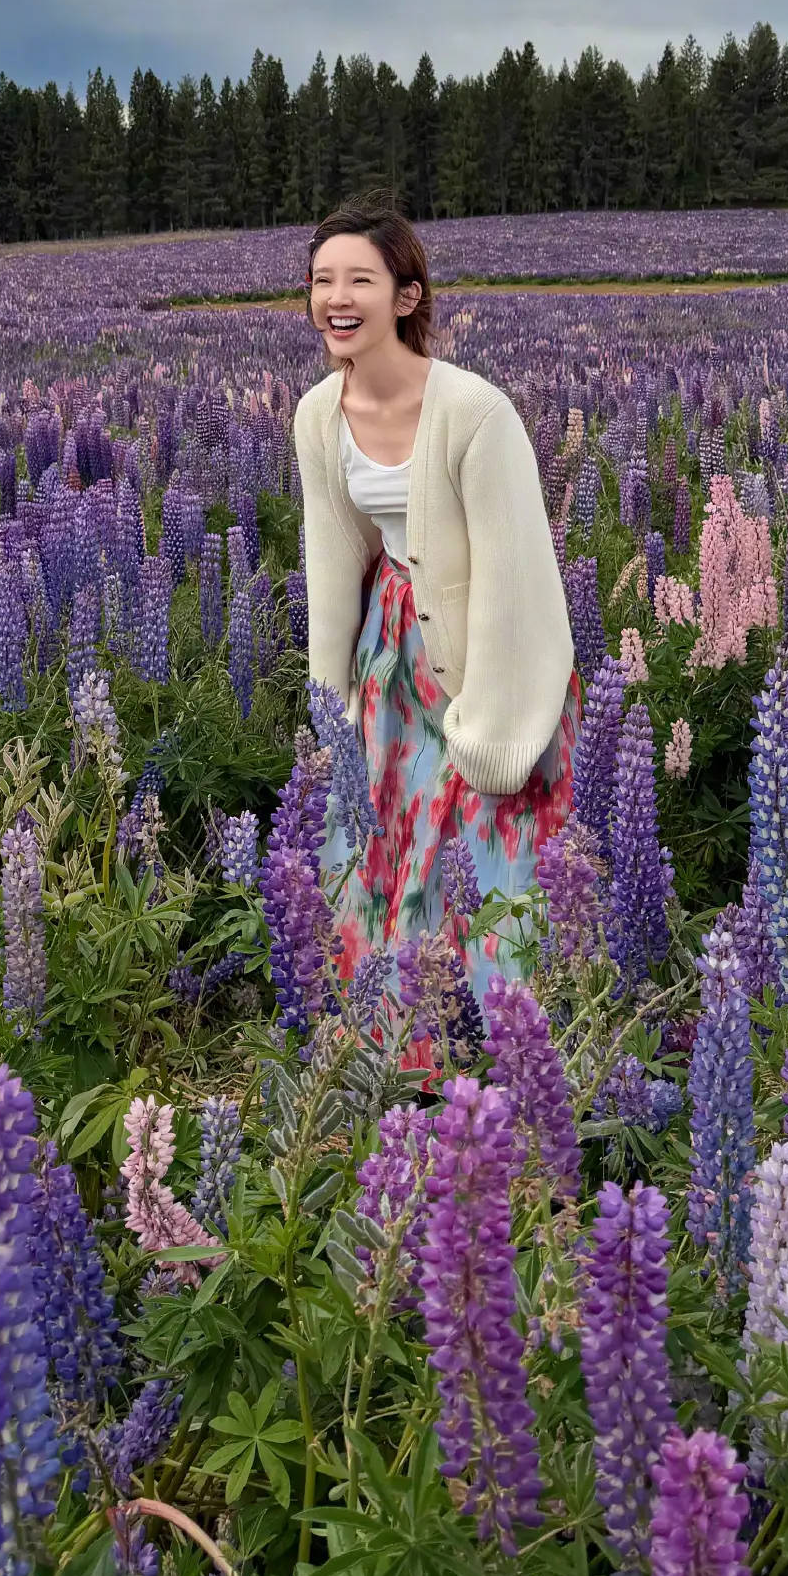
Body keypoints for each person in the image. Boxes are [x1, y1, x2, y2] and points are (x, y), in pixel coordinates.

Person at [294, 192, 580, 996]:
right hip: (390, 656)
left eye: (359, 280)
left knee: (480, 856)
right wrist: (329, 708)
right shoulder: (318, 416)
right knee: (388, 841)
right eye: (322, 280)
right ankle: (391, 1035)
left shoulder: (475, 413)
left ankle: (504, 1039)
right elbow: (333, 562)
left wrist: (492, 736)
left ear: (405, 297)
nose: (337, 298)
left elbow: (515, 578)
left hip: (487, 655)